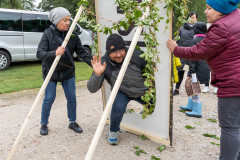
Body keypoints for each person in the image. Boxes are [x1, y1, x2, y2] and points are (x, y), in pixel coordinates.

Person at [167, 0, 240, 159]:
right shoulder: (237, 16)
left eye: (209, 8)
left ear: (221, 10)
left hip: (233, 84)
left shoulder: (221, 27)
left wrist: (176, 49)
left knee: (230, 129)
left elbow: (199, 51)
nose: (205, 12)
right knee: (237, 127)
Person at [37, 7, 92, 135]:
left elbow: (82, 52)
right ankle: (44, 124)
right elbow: (40, 53)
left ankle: (72, 122)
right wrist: (54, 53)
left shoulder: (72, 34)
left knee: (72, 98)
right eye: (64, 20)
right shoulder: (48, 34)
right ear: (56, 21)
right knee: (49, 98)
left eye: (69, 20)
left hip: (67, 72)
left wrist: (92, 64)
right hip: (51, 72)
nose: (68, 23)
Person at [87, 34, 148, 145]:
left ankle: (144, 113)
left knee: (153, 104)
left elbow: (150, 74)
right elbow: (91, 89)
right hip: (122, 91)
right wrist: (97, 74)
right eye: (114, 52)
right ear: (108, 53)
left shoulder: (136, 55)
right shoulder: (104, 63)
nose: (118, 55)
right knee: (117, 108)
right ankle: (113, 131)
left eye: (121, 50)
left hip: (141, 90)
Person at [180, 22, 209, 118]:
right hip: (205, 67)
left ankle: (197, 110)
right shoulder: (207, 40)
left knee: (195, 88)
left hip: (196, 69)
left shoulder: (195, 40)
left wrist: (190, 72)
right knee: (194, 87)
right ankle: (190, 105)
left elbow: (192, 58)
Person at [173, 11, 198, 96]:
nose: (191, 19)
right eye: (190, 17)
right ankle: (176, 89)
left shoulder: (198, 29)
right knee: (180, 71)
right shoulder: (182, 28)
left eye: (193, 17)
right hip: (182, 53)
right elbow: (177, 39)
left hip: (192, 54)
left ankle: (195, 93)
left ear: (196, 19)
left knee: (193, 73)